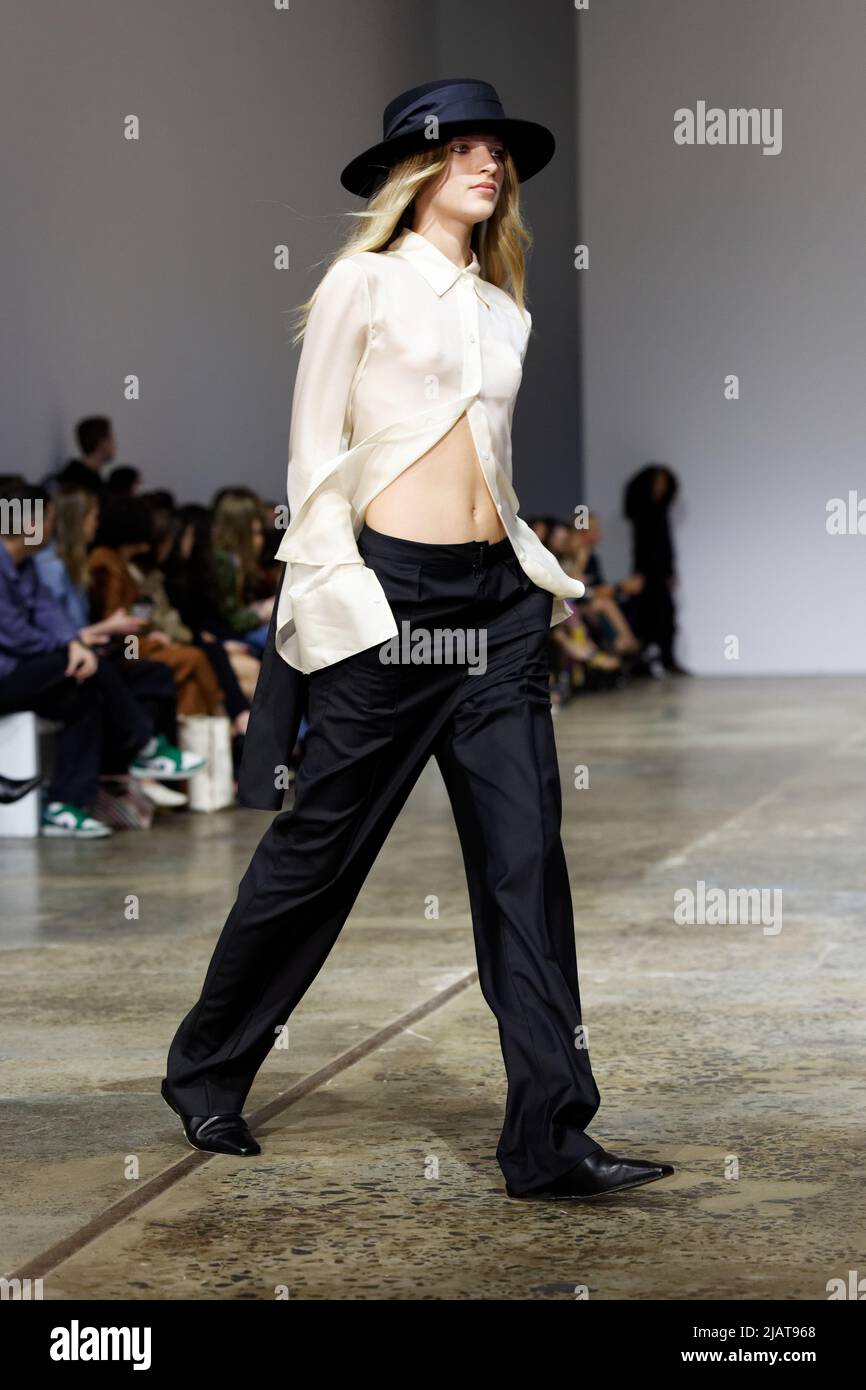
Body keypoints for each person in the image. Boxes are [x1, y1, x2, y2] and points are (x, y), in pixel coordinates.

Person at [162, 79, 674, 1202]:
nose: (488, 164)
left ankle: (548, 1135)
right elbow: (311, 457)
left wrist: (528, 580)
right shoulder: (361, 282)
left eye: (498, 150)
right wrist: (343, 603)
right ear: (415, 167)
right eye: (464, 148)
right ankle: (205, 1068)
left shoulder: (502, 304)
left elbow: (486, 457)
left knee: (525, 864)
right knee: (320, 849)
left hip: (495, 609)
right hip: (392, 606)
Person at [0, 479, 204, 836]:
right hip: (8, 673)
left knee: (84, 690)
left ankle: (65, 804)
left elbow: (50, 616)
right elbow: (13, 633)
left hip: (25, 669)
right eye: (47, 518)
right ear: (28, 522)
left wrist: (73, 644)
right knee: (90, 667)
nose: (51, 525)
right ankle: (144, 745)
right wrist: (70, 647)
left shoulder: (26, 567)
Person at [623, 463, 689, 675]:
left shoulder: (661, 512)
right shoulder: (641, 513)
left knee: (667, 618)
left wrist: (671, 573)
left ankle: (665, 661)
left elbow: (666, 547)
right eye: (657, 482)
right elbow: (644, 548)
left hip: (660, 576)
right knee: (644, 619)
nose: (661, 487)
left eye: (664, 483)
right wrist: (640, 574)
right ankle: (641, 664)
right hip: (645, 574)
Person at [44, 416, 116, 497]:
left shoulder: (74, 475)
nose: (114, 446)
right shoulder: (83, 483)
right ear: (101, 442)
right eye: (111, 440)